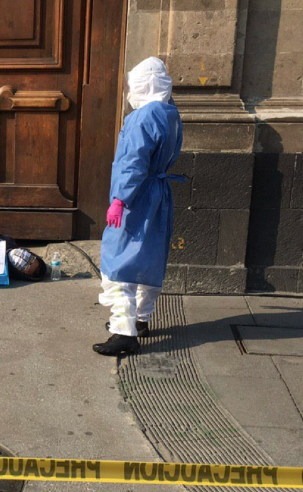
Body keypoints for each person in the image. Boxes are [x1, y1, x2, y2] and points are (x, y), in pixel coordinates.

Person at [93, 57, 184, 356]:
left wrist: (120, 199)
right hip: (159, 195)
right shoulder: (170, 113)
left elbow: (131, 161)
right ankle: (140, 320)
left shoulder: (142, 117)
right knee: (148, 258)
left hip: (138, 197)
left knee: (119, 263)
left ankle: (124, 332)